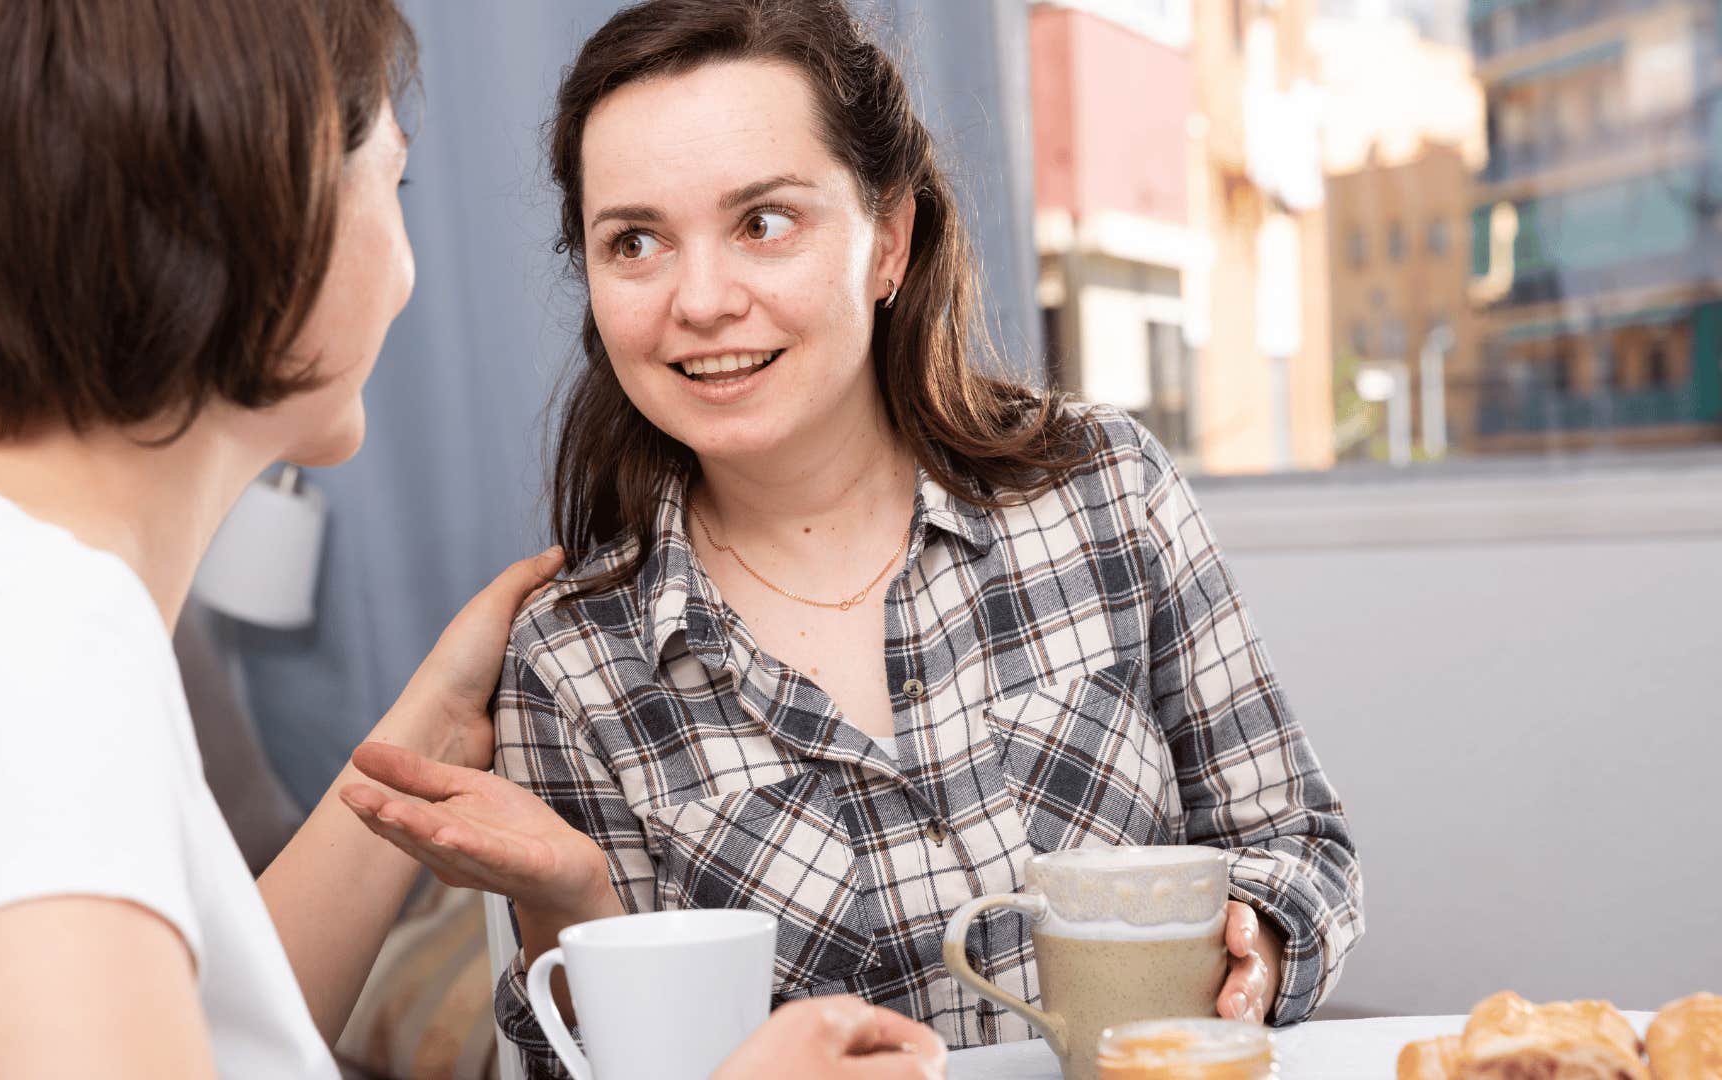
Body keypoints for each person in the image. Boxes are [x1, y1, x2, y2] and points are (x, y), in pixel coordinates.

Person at [0, 1, 942, 1076]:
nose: (402, 264)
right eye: (390, 177)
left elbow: (211, 1036)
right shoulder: (8, 636)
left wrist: (422, 735)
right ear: (260, 215)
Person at [337, 0, 1364, 1073]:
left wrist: (1264, 942)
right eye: (634, 241)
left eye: (763, 222)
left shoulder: (1105, 487)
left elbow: (1300, 847)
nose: (700, 300)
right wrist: (573, 907)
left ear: (890, 240)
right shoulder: (574, 661)